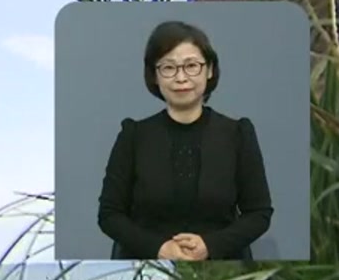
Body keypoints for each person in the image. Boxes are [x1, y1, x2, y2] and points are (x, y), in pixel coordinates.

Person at [97, 19, 273, 261]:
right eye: (168, 68)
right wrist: (160, 248)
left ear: (209, 70)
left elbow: (259, 213)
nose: (181, 78)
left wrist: (210, 245)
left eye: (192, 66)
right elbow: (109, 215)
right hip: (147, 265)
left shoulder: (237, 133)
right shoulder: (134, 135)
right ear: (155, 75)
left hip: (221, 266)